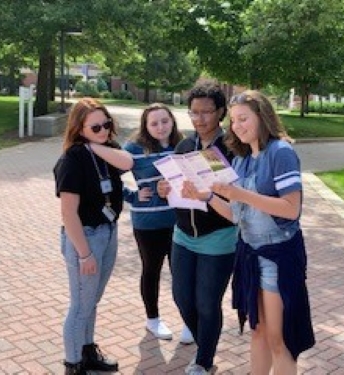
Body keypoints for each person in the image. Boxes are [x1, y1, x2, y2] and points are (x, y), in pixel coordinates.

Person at [181, 90, 315, 375]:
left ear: (262, 116)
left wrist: (239, 193)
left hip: (278, 256)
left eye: (244, 118)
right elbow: (235, 215)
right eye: (234, 121)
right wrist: (206, 197)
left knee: (280, 340)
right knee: (257, 332)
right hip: (249, 253)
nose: (237, 126)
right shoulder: (241, 158)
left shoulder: (281, 152)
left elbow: (291, 209)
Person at [157, 81, 237, 375]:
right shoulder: (184, 146)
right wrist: (163, 187)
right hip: (183, 235)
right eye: (193, 113)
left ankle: (204, 360)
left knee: (207, 302)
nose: (199, 119)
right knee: (181, 297)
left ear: (220, 112)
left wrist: (212, 191)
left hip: (218, 237)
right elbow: (173, 187)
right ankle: (206, 341)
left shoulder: (230, 147)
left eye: (206, 112)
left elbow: (235, 195)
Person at [53, 97, 134, 375]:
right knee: (80, 307)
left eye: (106, 124)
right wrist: (84, 253)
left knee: (91, 301)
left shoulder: (104, 149)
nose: (103, 130)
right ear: (79, 128)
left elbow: (128, 162)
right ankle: (73, 364)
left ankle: (87, 352)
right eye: (95, 127)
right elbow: (69, 214)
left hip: (108, 232)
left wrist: (95, 144)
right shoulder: (72, 160)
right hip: (85, 237)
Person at [123, 103, 193, 344]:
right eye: (154, 123)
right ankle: (152, 320)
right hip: (148, 223)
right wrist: (131, 195)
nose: (160, 127)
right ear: (146, 126)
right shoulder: (134, 148)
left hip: (179, 222)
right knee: (151, 270)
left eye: (165, 121)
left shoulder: (183, 145)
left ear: (172, 121)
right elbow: (107, 174)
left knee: (181, 274)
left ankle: (189, 322)